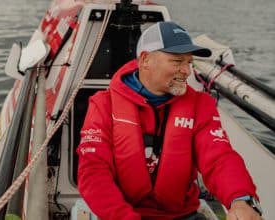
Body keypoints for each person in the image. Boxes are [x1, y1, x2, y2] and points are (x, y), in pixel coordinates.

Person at [76, 21, 262, 220]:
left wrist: (241, 199)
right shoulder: (103, 104)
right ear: (146, 60)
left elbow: (219, 158)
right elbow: (93, 171)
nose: (187, 71)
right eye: (177, 61)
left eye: (189, 62)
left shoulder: (200, 105)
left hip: (181, 215)